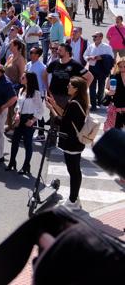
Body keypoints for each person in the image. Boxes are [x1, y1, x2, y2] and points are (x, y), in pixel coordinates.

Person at [45, 77, 88, 210]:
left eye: (70, 85)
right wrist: (54, 104)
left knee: (74, 171)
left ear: (76, 88)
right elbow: (66, 114)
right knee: (74, 170)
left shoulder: (75, 103)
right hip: (75, 141)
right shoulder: (77, 101)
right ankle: (75, 198)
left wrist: (51, 109)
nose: (67, 86)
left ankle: (73, 200)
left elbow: (62, 121)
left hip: (72, 141)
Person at [6, 73, 43, 174]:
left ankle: (26, 165)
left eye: (23, 77)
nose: (21, 78)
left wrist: (32, 120)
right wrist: (17, 113)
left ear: (29, 80)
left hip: (29, 119)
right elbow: (18, 104)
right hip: (20, 119)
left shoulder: (36, 93)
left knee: (28, 144)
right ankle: (12, 162)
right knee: (15, 142)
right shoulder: (21, 90)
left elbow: (40, 110)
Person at [44, 43, 93, 109]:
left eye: (60, 50)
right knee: (54, 117)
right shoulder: (54, 63)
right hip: (54, 95)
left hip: (67, 97)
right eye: (58, 50)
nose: (57, 52)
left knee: (65, 117)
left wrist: (81, 91)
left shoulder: (75, 65)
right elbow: (44, 74)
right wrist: (47, 88)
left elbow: (90, 77)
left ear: (67, 52)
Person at [84, 32, 115, 110]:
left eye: (95, 36)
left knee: (101, 86)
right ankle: (93, 104)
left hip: (102, 68)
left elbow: (112, 57)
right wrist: (88, 58)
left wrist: (102, 57)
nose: (94, 38)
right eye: (93, 36)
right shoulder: (90, 46)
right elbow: (85, 55)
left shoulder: (107, 47)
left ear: (101, 37)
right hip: (92, 68)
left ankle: (100, 101)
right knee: (92, 87)